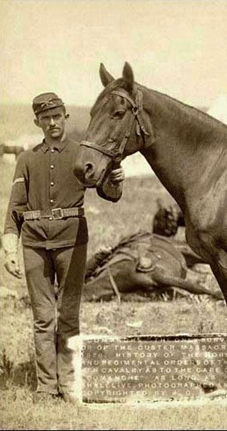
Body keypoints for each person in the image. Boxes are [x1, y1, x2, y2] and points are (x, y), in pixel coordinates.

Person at [1, 92, 125, 404]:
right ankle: (46, 387)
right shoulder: (27, 159)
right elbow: (14, 210)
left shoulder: (81, 154)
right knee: (43, 318)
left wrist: (116, 180)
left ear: (66, 116)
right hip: (34, 244)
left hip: (72, 242)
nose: (52, 122)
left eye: (57, 116)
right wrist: (9, 250)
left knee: (68, 316)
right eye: (46, 118)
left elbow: (109, 192)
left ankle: (69, 385)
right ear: (37, 122)